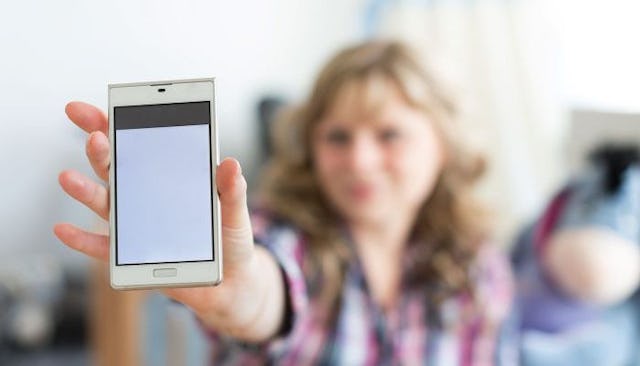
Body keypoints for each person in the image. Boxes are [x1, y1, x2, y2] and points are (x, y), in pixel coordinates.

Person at [55, 40, 514, 365]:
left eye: (388, 134)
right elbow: (264, 284)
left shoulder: (478, 265)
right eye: (338, 136)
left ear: (444, 144)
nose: (360, 160)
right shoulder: (283, 236)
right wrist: (243, 299)